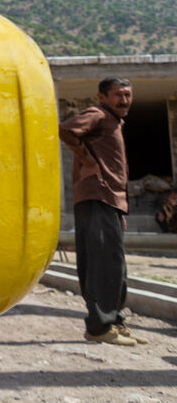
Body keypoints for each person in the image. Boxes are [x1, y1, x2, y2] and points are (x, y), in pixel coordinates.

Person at [58, 76, 148, 346]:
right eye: (118, 94)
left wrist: (122, 209)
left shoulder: (114, 122)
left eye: (128, 94)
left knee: (116, 265)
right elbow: (66, 130)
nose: (124, 100)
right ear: (102, 97)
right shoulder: (98, 114)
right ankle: (99, 327)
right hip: (97, 197)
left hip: (111, 201)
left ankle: (115, 321)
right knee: (101, 263)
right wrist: (88, 161)